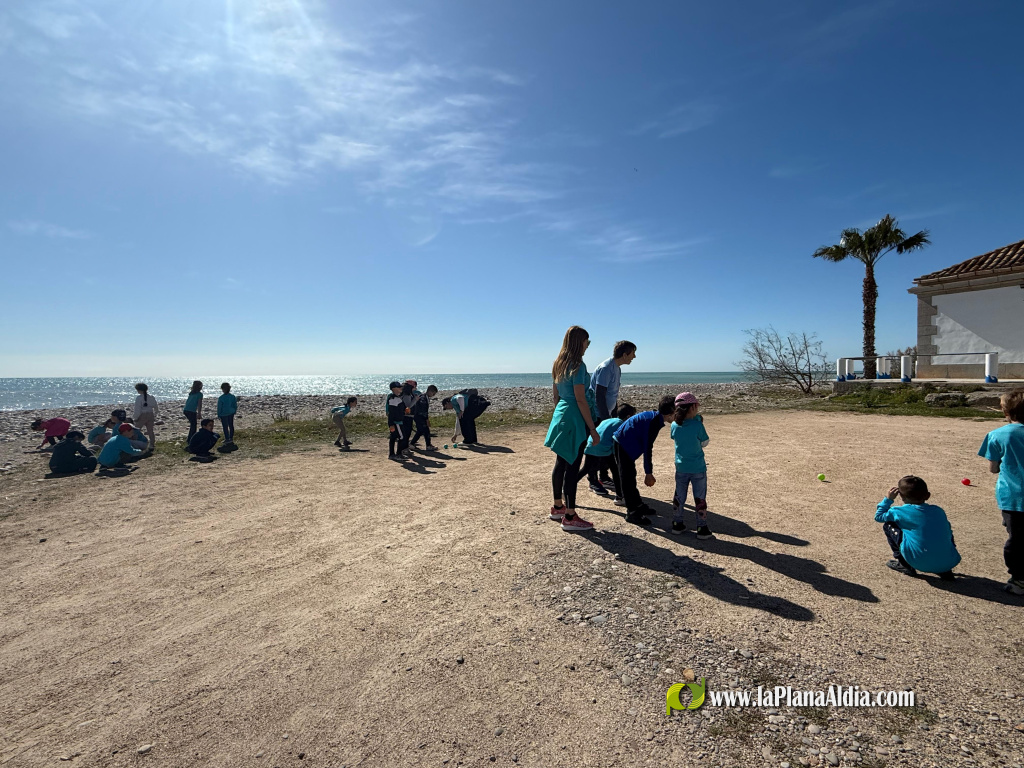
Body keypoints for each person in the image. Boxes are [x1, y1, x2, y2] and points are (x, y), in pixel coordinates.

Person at [543, 326, 602, 532]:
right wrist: (593, 429)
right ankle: (569, 516)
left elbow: (555, 397)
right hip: (575, 418)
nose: (588, 345)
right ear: (580, 342)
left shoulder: (558, 364)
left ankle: (558, 506)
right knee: (572, 466)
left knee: (561, 462)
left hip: (561, 415)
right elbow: (581, 399)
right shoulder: (578, 365)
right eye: (587, 341)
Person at [978, 388, 1024, 595]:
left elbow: (993, 468)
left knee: (1016, 539)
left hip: (1013, 498)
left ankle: (1019, 578)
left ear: (1006, 411)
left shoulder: (997, 435)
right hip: (1013, 499)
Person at [874, 475, 960, 579]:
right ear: (928, 496)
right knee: (942, 528)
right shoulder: (938, 511)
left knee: (889, 525)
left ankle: (905, 565)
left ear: (900, 496)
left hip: (918, 561)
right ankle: (944, 570)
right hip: (949, 561)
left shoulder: (899, 511)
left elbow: (879, 516)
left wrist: (888, 499)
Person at [612, 395, 677, 526]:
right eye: (677, 412)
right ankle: (632, 512)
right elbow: (648, 448)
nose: (678, 415)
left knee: (631, 475)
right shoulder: (653, 421)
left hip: (626, 442)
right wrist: (649, 473)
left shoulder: (655, 418)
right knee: (627, 478)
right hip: (622, 442)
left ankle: (637, 504)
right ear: (670, 413)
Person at [589, 341, 637, 485]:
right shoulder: (606, 368)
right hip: (598, 415)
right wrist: (605, 420)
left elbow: (613, 394)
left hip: (607, 414)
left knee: (608, 447)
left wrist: (615, 416)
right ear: (624, 354)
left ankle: (603, 476)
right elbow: (599, 396)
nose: (634, 357)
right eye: (632, 353)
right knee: (596, 448)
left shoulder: (617, 368)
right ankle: (593, 480)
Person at [670, 393, 713, 538]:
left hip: (681, 467)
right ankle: (702, 527)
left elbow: (675, 437)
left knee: (679, 495)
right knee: (699, 497)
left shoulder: (674, 425)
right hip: (697, 468)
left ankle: (677, 523)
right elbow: (704, 442)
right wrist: (698, 421)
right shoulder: (697, 425)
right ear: (693, 407)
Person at [577, 403, 636, 498]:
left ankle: (568, 486)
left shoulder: (609, 420)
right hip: (604, 449)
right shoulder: (622, 425)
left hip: (591, 445)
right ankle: (620, 496)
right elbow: (618, 442)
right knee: (615, 470)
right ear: (628, 416)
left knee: (585, 469)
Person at [410, 385, 438, 450]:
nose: (433, 395)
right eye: (433, 393)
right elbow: (423, 410)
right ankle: (413, 443)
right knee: (424, 430)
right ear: (430, 391)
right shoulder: (423, 398)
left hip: (418, 416)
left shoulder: (424, 397)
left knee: (422, 431)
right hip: (419, 416)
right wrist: (426, 419)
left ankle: (413, 443)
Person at [133, 383, 159, 450]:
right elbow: (156, 406)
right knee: (150, 430)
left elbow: (137, 409)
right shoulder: (151, 397)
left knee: (136, 430)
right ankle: (152, 444)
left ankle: (134, 443)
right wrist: (155, 414)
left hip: (142, 415)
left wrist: (135, 418)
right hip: (150, 414)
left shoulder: (139, 398)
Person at [387, 381, 407, 460]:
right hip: (396, 422)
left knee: (393, 437)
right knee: (402, 437)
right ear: (394, 389)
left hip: (397, 421)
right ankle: (398, 454)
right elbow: (391, 412)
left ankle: (392, 454)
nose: (401, 388)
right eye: (399, 387)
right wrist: (391, 423)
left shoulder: (397, 398)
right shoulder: (393, 399)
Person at [401, 381, 417, 451]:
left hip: (409, 416)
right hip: (407, 416)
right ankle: (404, 448)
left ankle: (405, 447)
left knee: (408, 432)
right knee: (406, 433)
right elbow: (408, 406)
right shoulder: (407, 395)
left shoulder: (409, 394)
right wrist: (415, 399)